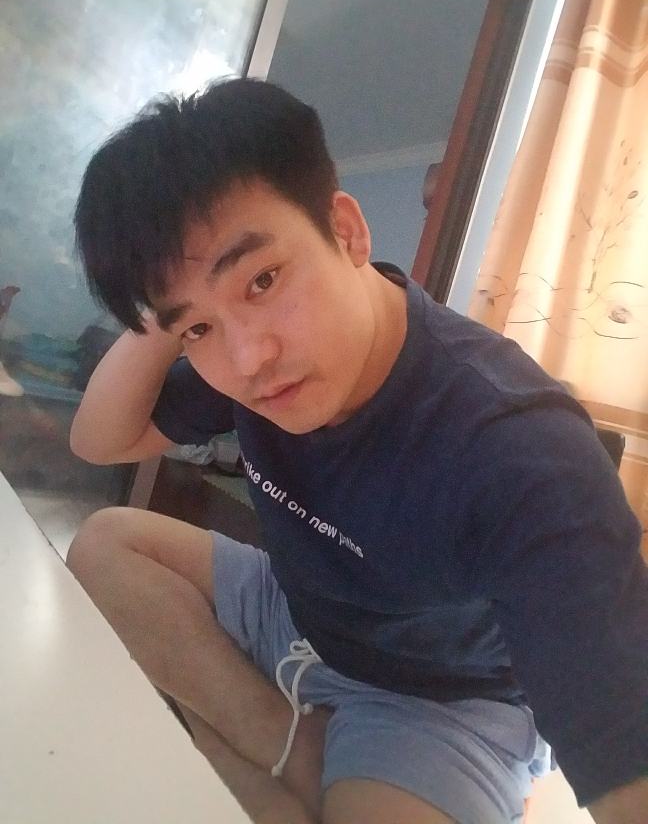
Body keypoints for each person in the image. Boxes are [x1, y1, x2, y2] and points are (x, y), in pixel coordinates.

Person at [67, 78, 648, 824]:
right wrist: (167, 301)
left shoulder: (520, 449)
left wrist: (193, 298)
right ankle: (290, 750)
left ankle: (228, 750)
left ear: (346, 231)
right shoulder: (257, 364)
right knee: (105, 545)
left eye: (262, 280)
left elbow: (622, 751)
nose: (249, 358)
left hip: (439, 696)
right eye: (199, 329)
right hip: (297, 610)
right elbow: (100, 440)